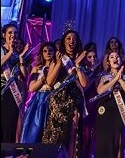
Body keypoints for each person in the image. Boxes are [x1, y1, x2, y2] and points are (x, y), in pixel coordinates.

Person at [41, 29, 89, 158]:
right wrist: (58, 63)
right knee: (58, 135)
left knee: (73, 134)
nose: (71, 41)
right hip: (58, 101)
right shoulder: (58, 58)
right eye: (68, 38)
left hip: (74, 100)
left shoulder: (81, 61)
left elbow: (84, 83)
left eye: (74, 38)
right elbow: (50, 82)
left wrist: (77, 65)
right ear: (64, 41)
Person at [95, 51, 125, 158]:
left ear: (121, 61)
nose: (115, 58)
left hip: (119, 113)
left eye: (117, 57)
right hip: (105, 113)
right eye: (112, 57)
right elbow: (100, 91)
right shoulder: (103, 77)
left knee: (118, 142)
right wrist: (115, 79)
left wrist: (120, 79)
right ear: (108, 62)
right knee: (104, 144)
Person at [21, 42, 55, 143]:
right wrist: (43, 78)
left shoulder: (58, 67)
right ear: (42, 53)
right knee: (35, 129)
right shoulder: (37, 68)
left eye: (51, 50)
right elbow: (31, 88)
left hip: (52, 98)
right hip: (39, 100)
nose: (48, 52)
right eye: (45, 51)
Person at [1, 23, 28, 143]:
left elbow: (24, 75)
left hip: (12, 94)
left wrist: (21, 58)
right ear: (4, 35)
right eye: (10, 32)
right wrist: (10, 52)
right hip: (2, 91)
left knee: (9, 127)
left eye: (15, 33)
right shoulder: (2, 50)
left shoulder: (16, 54)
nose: (13, 35)